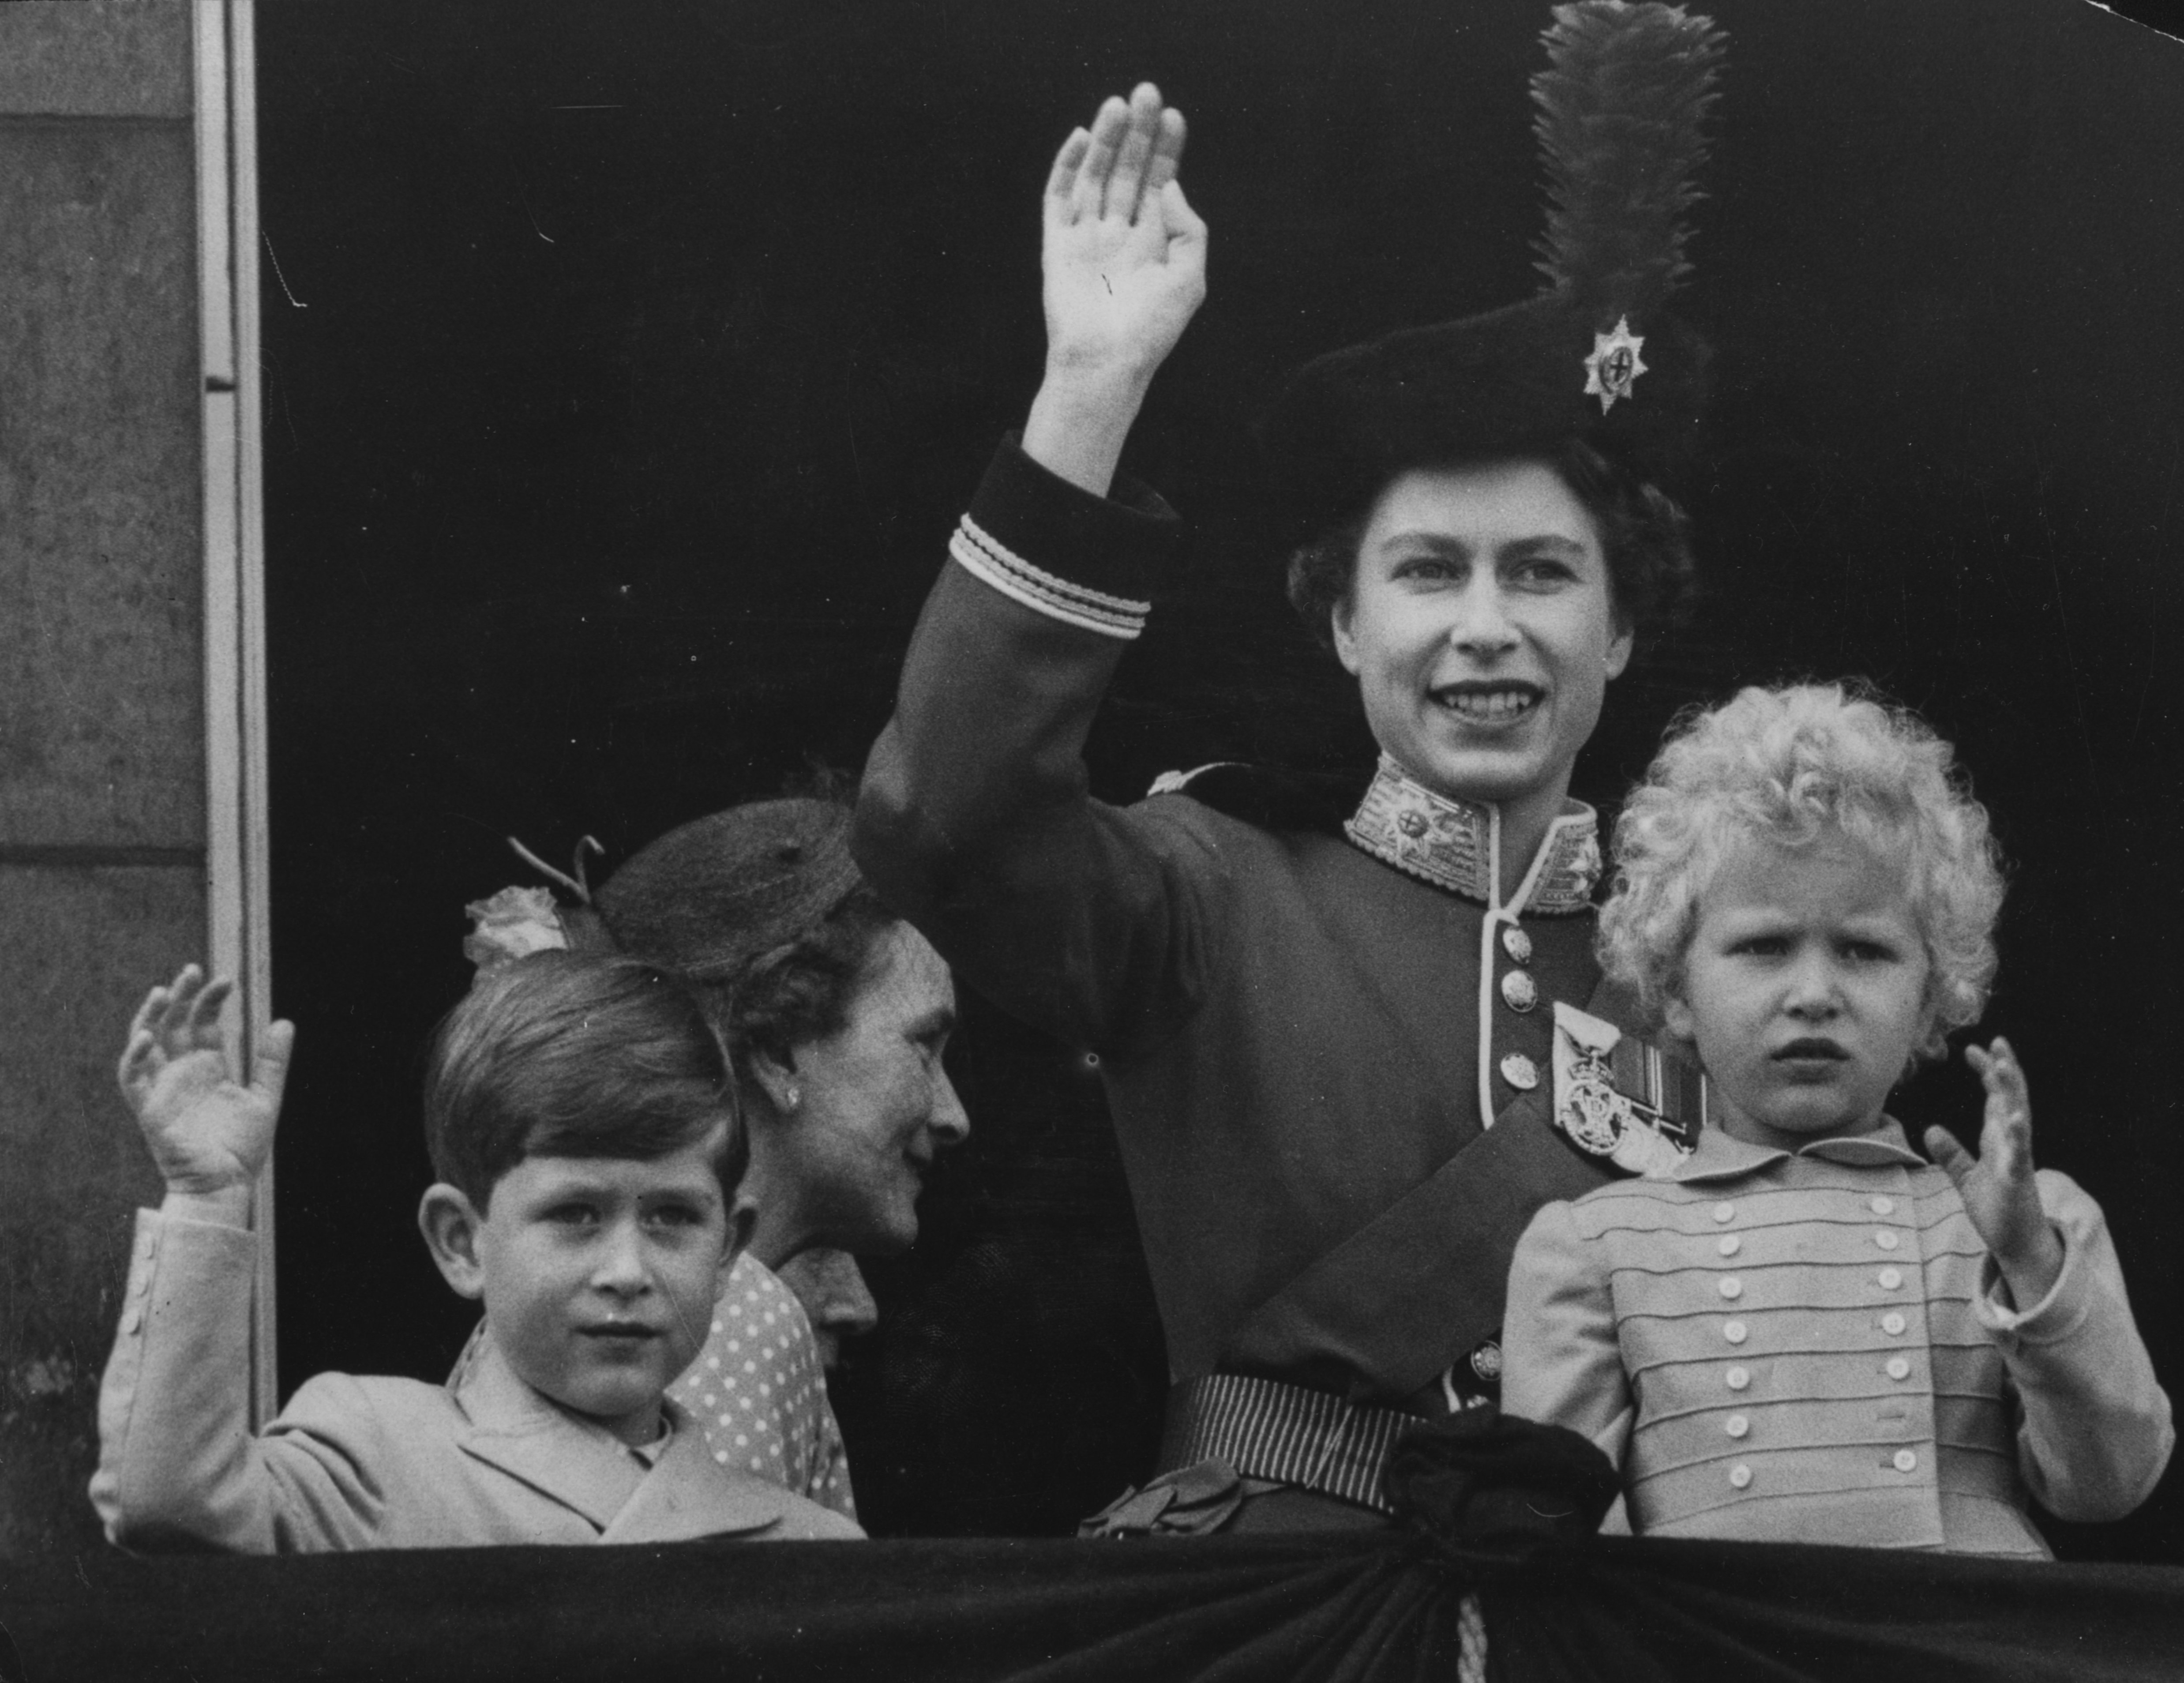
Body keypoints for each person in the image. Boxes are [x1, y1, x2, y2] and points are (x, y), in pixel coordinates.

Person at [856, 4, 1729, 1531]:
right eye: (1424, 574)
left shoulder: (1716, 969)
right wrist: (1090, 392)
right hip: (1277, 1605)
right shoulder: (1213, 894)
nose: (1482, 630)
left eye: (1538, 573)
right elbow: (946, 816)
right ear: (1338, 621)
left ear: (1624, 626)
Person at [1501, 684, 2173, 1555]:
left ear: (1931, 991)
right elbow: (1571, 1569)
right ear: (1673, 983)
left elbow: (2111, 1483)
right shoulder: (1593, 1249)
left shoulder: (2021, 1227)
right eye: (1764, 946)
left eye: (1864, 949)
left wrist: (2028, 1257)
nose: (1815, 994)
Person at [90, 956, 863, 1550]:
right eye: (575, 1214)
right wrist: (208, 1194)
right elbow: (169, 1501)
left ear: (728, 1250)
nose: (627, 1271)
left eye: (672, 1217)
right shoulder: (376, 1456)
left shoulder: (801, 1541)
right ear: (462, 1242)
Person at [461, 794, 961, 1521]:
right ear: (778, 1049)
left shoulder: (592, 1307)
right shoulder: (719, 1315)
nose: (955, 1115)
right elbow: (709, 1620)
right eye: (924, 1047)